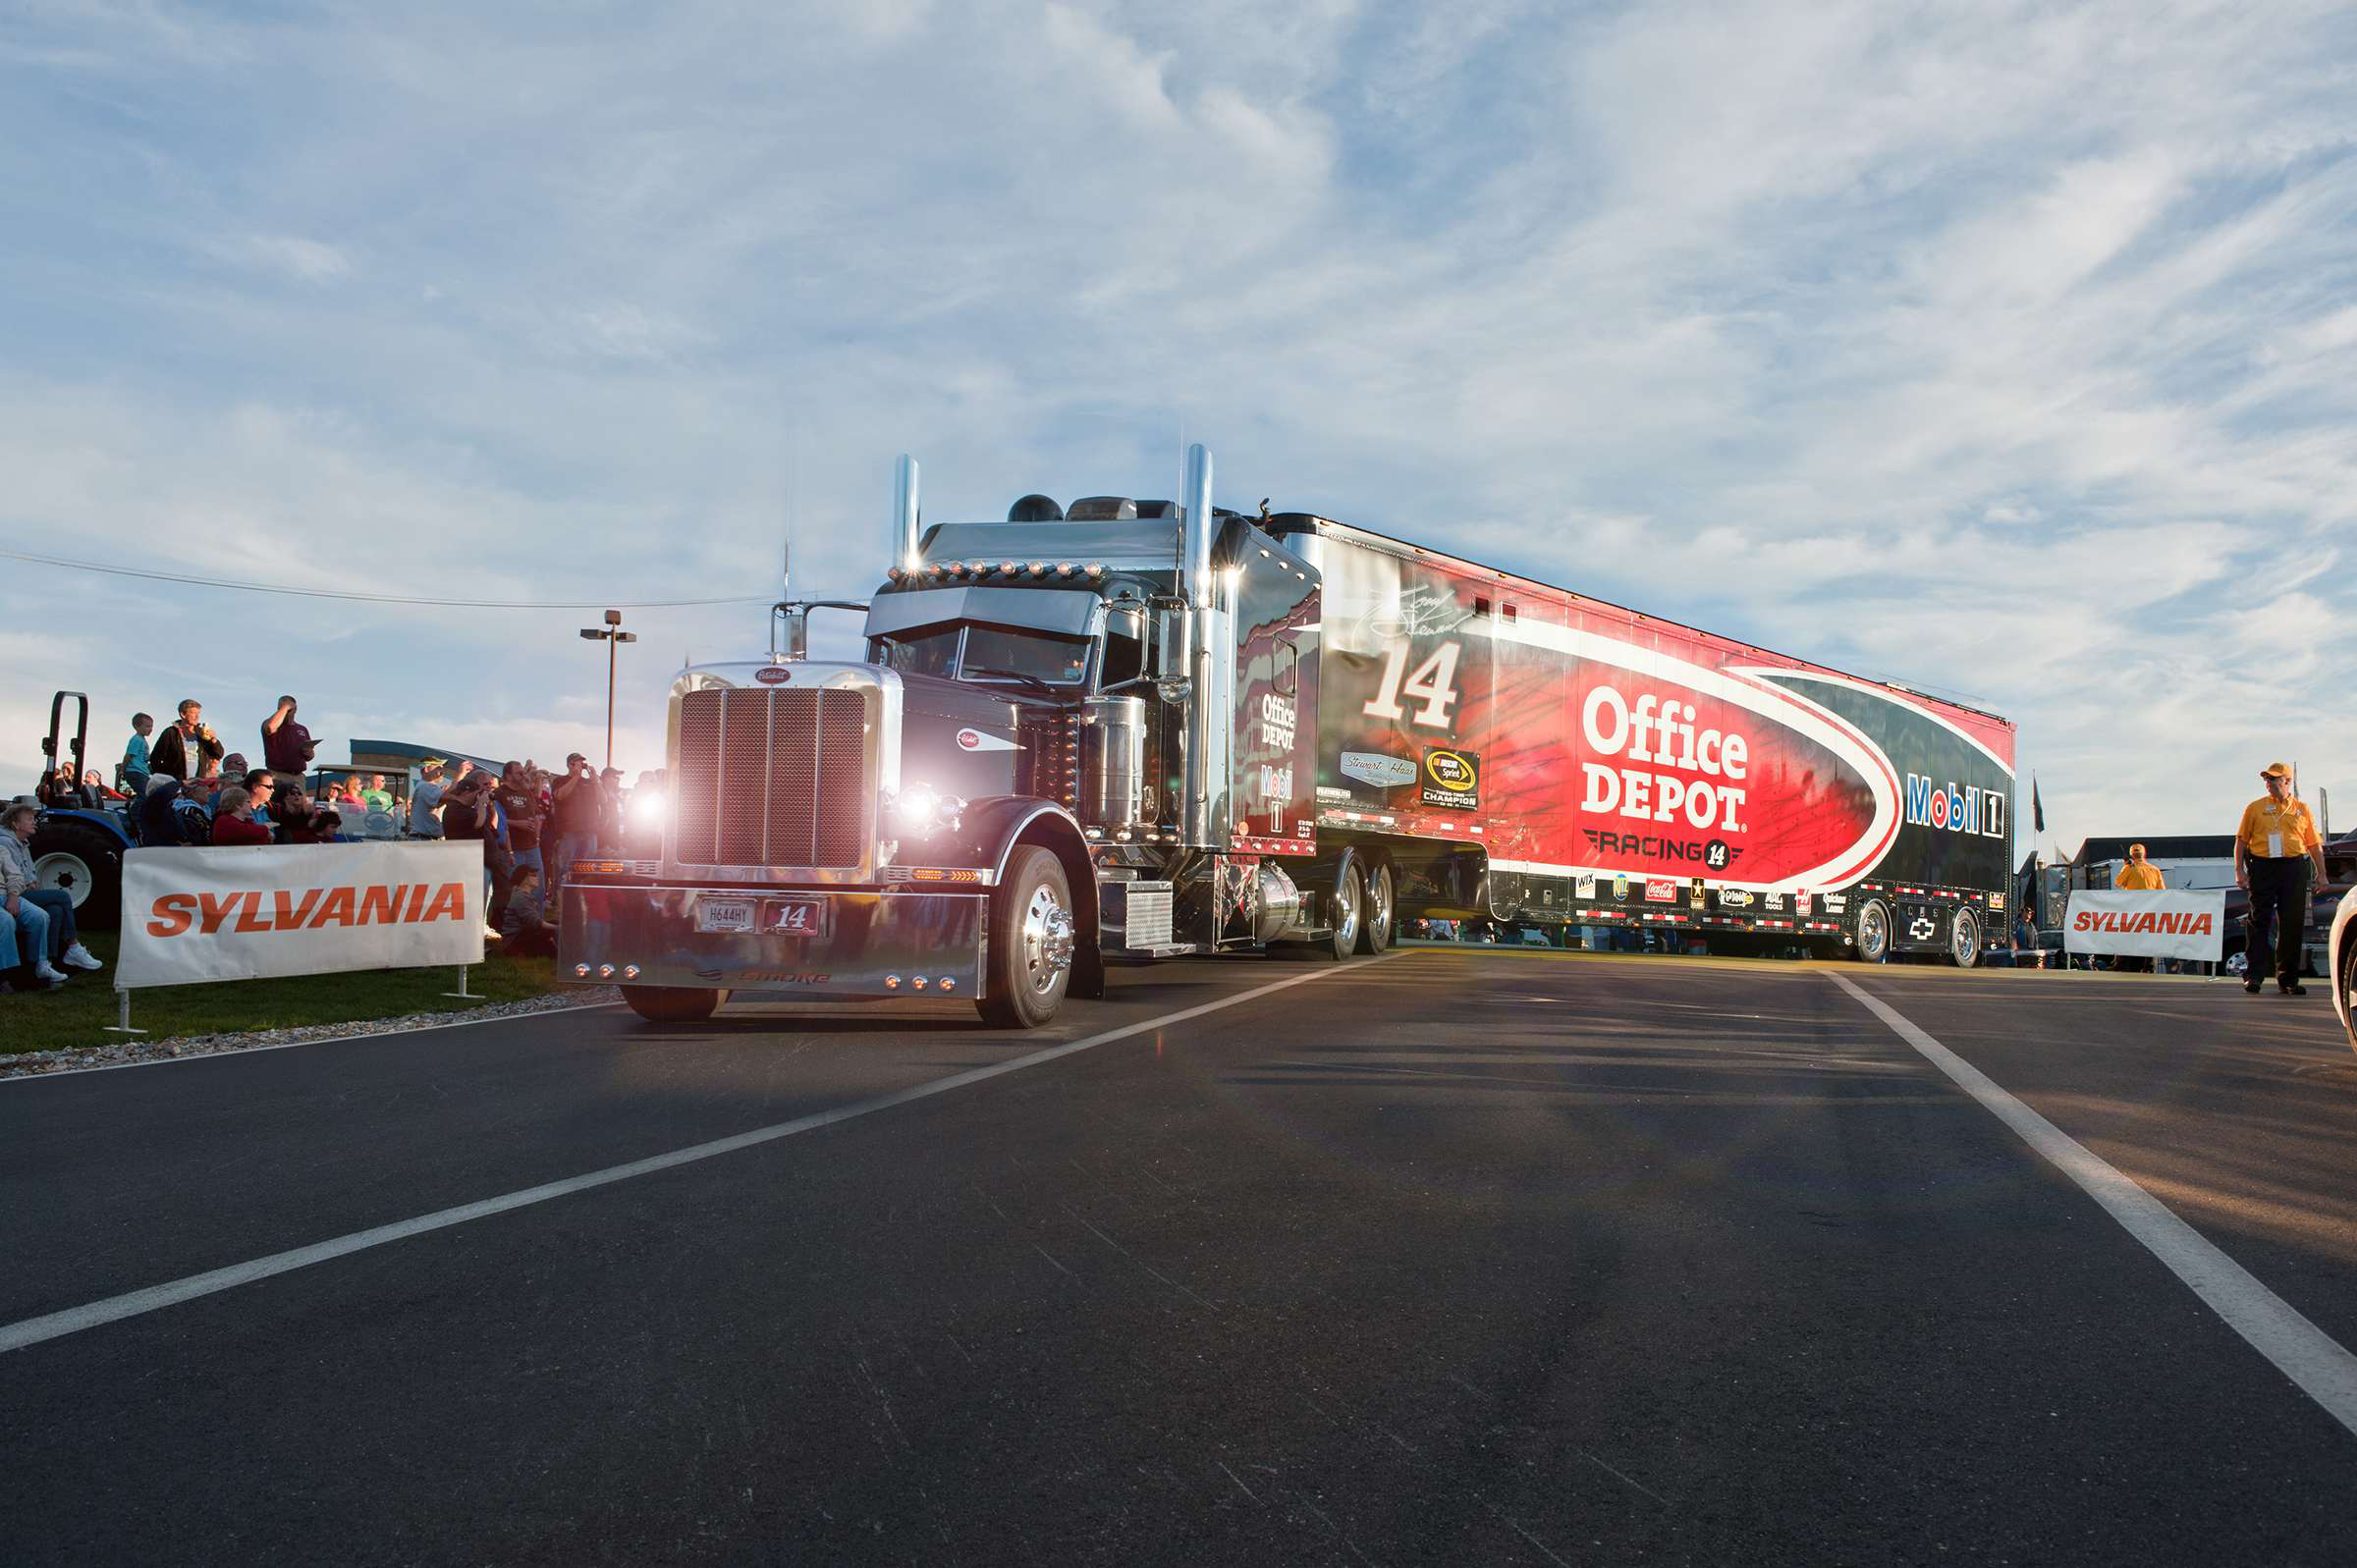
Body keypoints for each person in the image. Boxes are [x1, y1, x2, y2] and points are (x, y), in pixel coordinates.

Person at [2234, 761, 2327, 997]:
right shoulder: (2255, 808)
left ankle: (2288, 978)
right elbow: (2241, 841)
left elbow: (2314, 845)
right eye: (2266, 779)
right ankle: (2254, 976)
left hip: (2294, 867)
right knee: (2258, 919)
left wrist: (2321, 874)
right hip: (2263, 866)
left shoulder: (2302, 809)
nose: (2269, 783)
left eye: (2274, 779)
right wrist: (2240, 871)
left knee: (2292, 922)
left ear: (2287, 781)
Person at [4, 802, 101, 979]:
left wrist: (32, 880)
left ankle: (48, 961)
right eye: (29, 819)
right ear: (15, 824)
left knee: (54, 910)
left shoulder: (22, 842)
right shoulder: (6, 842)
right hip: (13, 893)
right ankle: (73, 947)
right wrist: (28, 883)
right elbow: (13, 872)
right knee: (62, 896)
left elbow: (29, 870)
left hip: (24, 889)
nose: (34, 822)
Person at [551, 753, 600, 888]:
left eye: (582, 763)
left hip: (589, 831)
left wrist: (595, 778)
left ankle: (580, 898)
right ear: (570, 764)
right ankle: (561, 898)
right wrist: (575, 777)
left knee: (587, 868)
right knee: (565, 868)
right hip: (569, 832)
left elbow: (603, 799)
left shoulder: (589, 782)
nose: (581, 765)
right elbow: (560, 796)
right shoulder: (559, 780)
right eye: (578, 762)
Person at [147, 699, 224, 783]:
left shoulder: (201, 734)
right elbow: (155, 759)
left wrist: (213, 739)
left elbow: (218, 754)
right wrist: (166, 779)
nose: (197, 716)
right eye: (193, 713)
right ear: (183, 714)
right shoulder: (170, 733)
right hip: (176, 784)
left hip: (198, 784)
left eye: (198, 713)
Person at [495, 762, 545, 885]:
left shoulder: (526, 792)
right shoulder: (499, 793)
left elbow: (537, 813)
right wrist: (517, 823)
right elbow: (494, 819)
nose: (524, 775)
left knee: (538, 886)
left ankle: (536, 905)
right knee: (515, 886)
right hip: (513, 848)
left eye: (524, 772)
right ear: (508, 776)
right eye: (519, 773)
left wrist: (537, 835)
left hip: (532, 846)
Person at [498, 864, 558, 957]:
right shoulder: (520, 898)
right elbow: (536, 922)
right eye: (533, 875)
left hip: (522, 935)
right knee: (552, 931)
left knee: (554, 925)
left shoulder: (523, 895)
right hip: (514, 942)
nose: (537, 877)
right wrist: (559, 928)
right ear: (524, 879)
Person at [261, 695, 317, 784]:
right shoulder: (271, 724)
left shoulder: (302, 729)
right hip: (278, 775)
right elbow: (270, 728)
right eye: (280, 708)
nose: (285, 711)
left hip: (299, 777)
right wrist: (285, 707)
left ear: (295, 709)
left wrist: (310, 753)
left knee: (299, 797)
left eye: (289, 709)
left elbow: (310, 756)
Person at [210, 785, 274, 846]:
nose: (251, 804)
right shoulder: (224, 821)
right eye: (248, 802)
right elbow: (247, 832)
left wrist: (266, 835)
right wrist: (266, 827)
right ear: (237, 805)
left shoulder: (247, 821)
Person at [409, 760, 448, 838]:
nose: (442, 772)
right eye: (439, 768)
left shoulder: (424, 786)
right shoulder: (426, 786)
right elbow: (447, 797)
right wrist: (461, 775)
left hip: (424, 838)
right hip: (424, 839)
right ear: (426, 769)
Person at [119, 712, 154, 797]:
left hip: (142, 772)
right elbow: (128, 756)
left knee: (146, 793)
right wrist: (123, 770)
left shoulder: (142, 740)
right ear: (136, 726)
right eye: (147, 726)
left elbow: (144, 757)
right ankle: (135, 810)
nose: (150, 729)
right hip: (136, 772)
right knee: (144, 794)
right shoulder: (137, 740)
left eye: (151, 726)